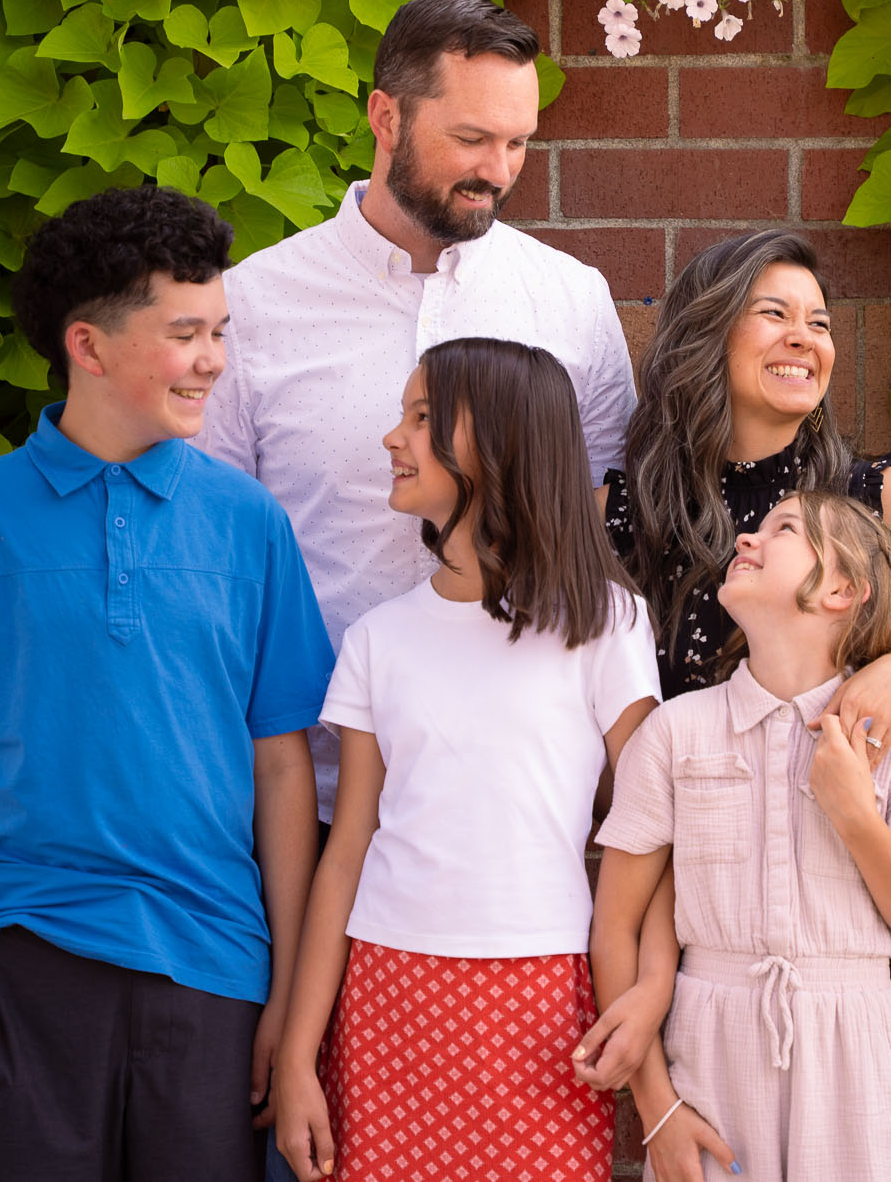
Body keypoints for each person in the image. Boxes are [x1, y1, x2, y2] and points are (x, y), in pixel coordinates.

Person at [0, 186, 332, 1182]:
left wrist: (291, 996)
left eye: (219, 330)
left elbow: (282, 771)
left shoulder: (249, 523)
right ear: (87, 347)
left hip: (213, 963)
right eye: (186, 333)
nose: (214, 358)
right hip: (26, 961)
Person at [195, 0, 637, 830]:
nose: (498, 171)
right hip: (303, 801)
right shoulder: (253, 306)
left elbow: (599, 529)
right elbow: (214, 556)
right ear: (386, 116)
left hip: (516, 805)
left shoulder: (571, 300)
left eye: (517, 143)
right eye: (470, 138)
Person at [271, 338, 661, 1182]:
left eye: (420, 417)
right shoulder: (379, 639)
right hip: (385, 996)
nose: (392, 438)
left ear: (501, 443)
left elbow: (652, 830)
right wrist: (301, 1056)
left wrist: (649, 991)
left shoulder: (607, 624)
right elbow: (348, 852)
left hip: (546, 999)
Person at [598, 228, 891, 1053]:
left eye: (821, 322)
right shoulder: (619, 514)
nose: (806, 337)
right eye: (774, 314)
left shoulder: (882, 503)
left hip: (848, 923)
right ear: (707, 333)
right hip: (686, 912)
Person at [591, 491, 891, 1182]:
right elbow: (613, 927)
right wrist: (659, 1110)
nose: (747, 537)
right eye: (754, 525)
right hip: (711, 1057)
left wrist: (856, 814)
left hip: (857, 1059)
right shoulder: (674, 735)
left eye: (784, 528)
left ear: (841, 589)